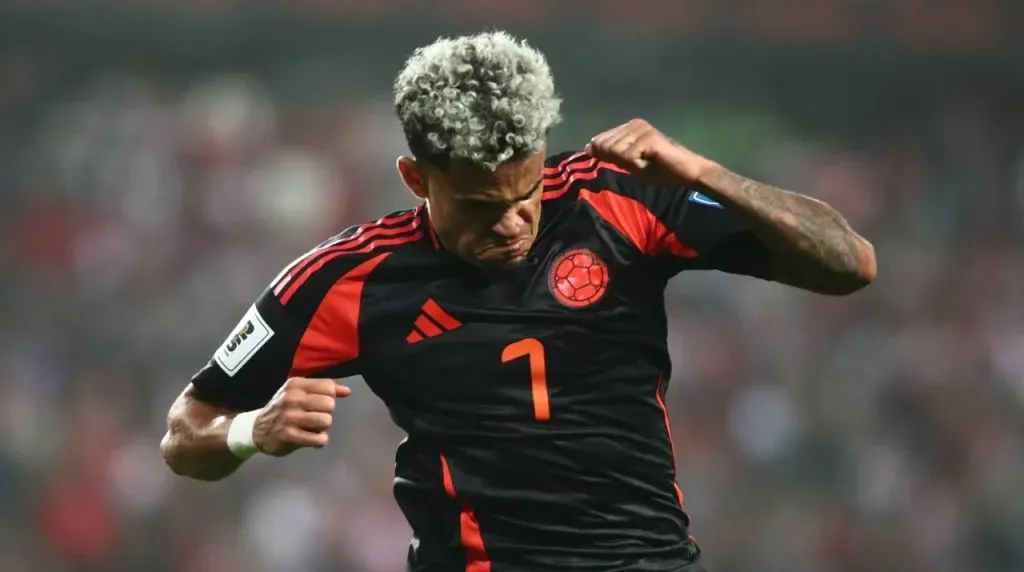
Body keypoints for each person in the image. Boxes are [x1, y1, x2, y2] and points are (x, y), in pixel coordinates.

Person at [160, 31, 876, 572]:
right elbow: (185, 431)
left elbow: (849, 265)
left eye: (525, 192)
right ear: (416, 177)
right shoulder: (351, 277)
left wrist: (702, 171)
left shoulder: (618, 198)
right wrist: (252, 430)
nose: (510, 223)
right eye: (478, 204)